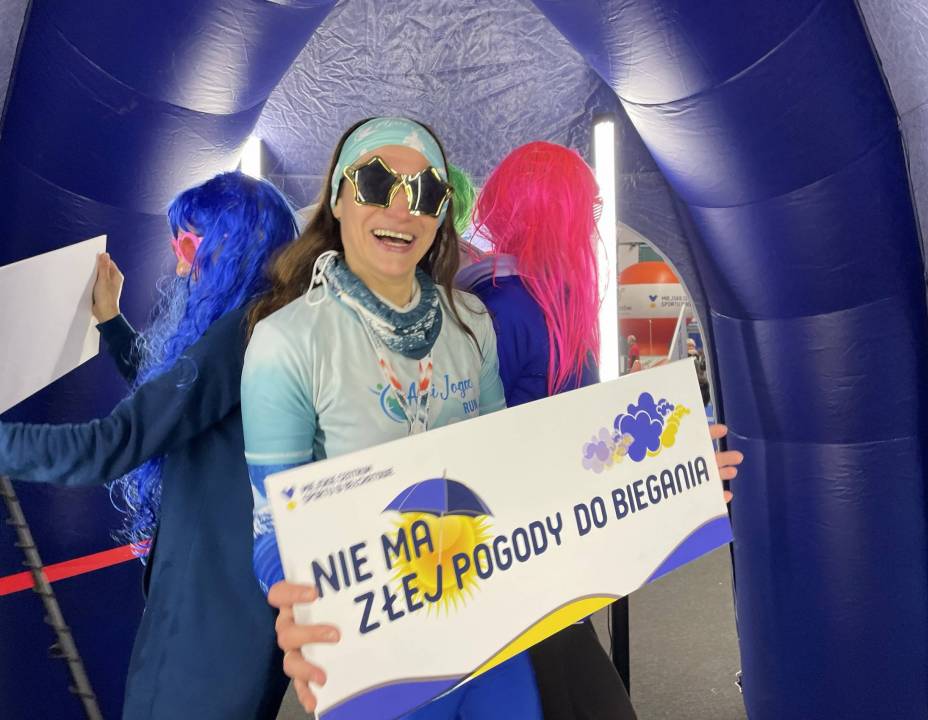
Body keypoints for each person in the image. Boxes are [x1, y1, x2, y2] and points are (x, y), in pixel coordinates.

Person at [240, 117, 543, 718]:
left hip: (487, 624)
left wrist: (664, 471)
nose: (402, 209)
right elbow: (272, 521)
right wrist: (299, 603)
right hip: (374, 642)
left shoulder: (473, 323)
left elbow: (504, 465)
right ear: (337, 197)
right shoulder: (285, 342)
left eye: (426, 191)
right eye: (377, 183)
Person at [457, 141, 743, 718]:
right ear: (552, 210)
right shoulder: (505, 306)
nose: (591, 226)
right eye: (584, 209)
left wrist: (666, 461)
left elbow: (571, 429)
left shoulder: (533, 299)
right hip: (517, 557)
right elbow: (489, 441)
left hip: (545, 548)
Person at [0, 171, 298, 719]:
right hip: (239, 621)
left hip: (208, 634)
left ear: (233, 245)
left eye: (187, 246)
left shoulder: (237, 337)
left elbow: (113, 443)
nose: (182, 268)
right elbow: (179, 400)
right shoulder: (268, 327)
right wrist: (112, 323)